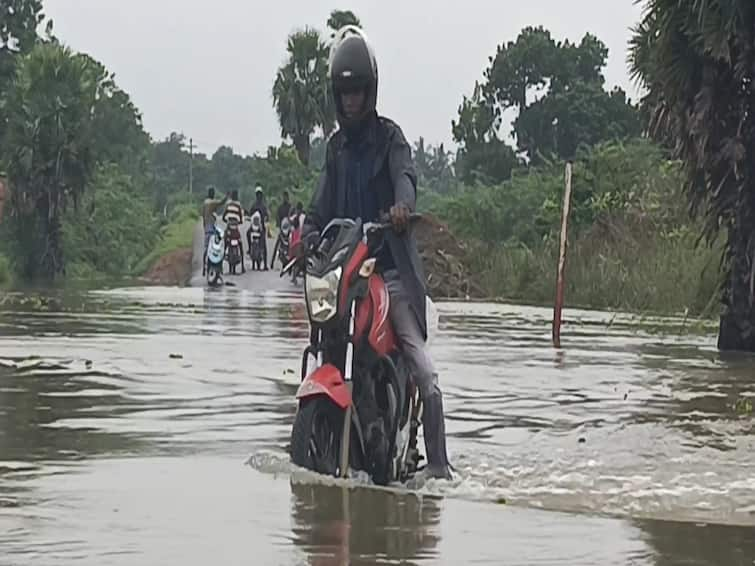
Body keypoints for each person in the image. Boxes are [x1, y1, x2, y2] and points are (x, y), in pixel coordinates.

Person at [302, 26, 451, 479]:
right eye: (344, 93)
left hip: (390, 272)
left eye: (357, 92)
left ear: (371, 92)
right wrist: (306, 231)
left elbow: (405, 174)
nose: (350, 101)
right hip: (347, 274)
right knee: (324, 342)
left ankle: (441, 465)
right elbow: (321, 201)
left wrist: (402, 206)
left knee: (423, 369)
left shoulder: (390, 138)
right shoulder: (335, 149)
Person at [201, 186, 227, 275]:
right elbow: (221, 202)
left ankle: (204, 268)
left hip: (207, 228)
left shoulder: (205, 202)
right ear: (212, 194)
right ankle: (220, 268)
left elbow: (203, 215)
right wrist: (227, 196)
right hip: (211, 228)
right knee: (218, 248)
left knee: (206, 249)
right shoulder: (211, 203)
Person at [247, 186, 269, 270]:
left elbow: (266, 215)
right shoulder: (254, 205)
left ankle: (265, 264)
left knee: (264, 245)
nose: (259, 196)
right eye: (258, 194)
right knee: (247, 233)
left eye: (260, 194)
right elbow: (250, 214)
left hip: (261, 227)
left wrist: (266, 219)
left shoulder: (263, 206)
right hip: (254, 227)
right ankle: (249, 248)